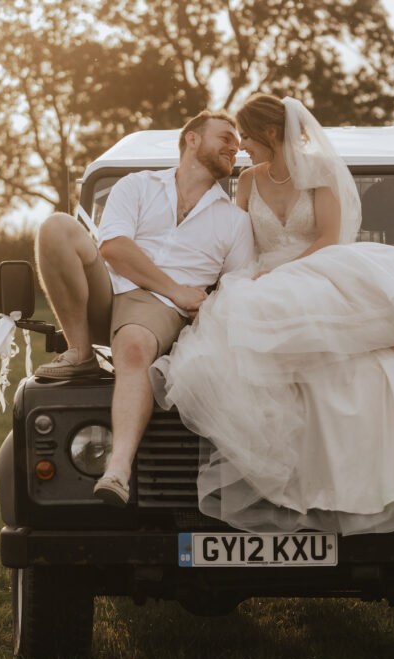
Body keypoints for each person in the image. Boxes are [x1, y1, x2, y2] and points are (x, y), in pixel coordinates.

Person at [150, 95, 394, 535]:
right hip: (259, 281)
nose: (243, 149)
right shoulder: (249, 181)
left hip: (318, 269)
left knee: (348, 366)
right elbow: (238, 240)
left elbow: (330, 239)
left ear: (272, 134)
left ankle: (355, 480)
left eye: (249, 139)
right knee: (220, 361)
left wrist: (279, 277)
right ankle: (284, 475)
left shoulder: (320, 173)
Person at [34, 110, 255, 507]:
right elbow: (113, 248)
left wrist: (194, 303)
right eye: (225, 137)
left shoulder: (235, 221)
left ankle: (118, 470)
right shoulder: (136, 185)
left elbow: (236, 286)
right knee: (56, 227)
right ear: (191, 139)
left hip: (160, 309)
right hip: (110, 289)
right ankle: (80, 351)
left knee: (134, 343)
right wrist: (177, 289)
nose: (234, 147)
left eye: (237, 145)